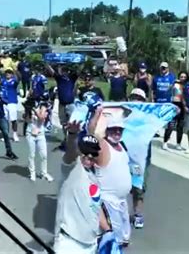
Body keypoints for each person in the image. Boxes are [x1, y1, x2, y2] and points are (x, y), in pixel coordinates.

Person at [53, 123, 111, 253]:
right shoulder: (72, 169)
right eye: (85, 152)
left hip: (91, 244)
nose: (89, 156)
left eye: (93, 153)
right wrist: (73, 135)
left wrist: (108, 231)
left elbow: (96, 206)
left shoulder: (94, 178)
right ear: (80, 151)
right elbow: (70, 155)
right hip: (69, 243)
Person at [88, 109, 132, 246]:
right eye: (113, 129)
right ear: (107, 130)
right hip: (108, 202)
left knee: (123, 240)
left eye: (120, 130)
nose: (117, 132)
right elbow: (91, 135)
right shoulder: (102, 146)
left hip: (122, 202)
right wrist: (97, 114)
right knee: (111, 239)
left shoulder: (121, 146)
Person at [128, 88, 150, 229]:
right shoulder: (122, 114)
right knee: (120, 186)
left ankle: (137, 214)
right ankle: (119, 213)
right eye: (133, 97)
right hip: (123, 157)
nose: (135, 99)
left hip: (139, 160)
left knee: (138, 188)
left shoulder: (148, 117)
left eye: (139, 98)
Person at [46, 63, 78, 142]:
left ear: (68, 72)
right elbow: (52, 72)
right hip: (61, 104)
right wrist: (47, 64)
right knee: (63, 123)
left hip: (70, 104)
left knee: (72, 122)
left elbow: (79, 71)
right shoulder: (59, 78)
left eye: (66, 71)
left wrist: (79, 63)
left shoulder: (72, 78)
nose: (64, 72)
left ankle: (73, 138)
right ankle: (66, 138)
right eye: (63, 71)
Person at [25, 101, 54, 182]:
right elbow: (27, 120)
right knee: (31, 155)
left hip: (40, 134)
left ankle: (44, 173)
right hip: (30, 133)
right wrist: (27, 110)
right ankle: (32, 173)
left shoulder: (43, 107)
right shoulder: (30, 106)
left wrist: (35, 110)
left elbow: (41, 118)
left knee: (44, 155)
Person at [152, 62, 176, 149]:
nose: (163, 70)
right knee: (159, 121)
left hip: (169, 103)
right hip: (158, 103)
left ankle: (166, 140)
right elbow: (153, 90)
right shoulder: (156, 78)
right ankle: (156, 133)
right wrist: (152, 100)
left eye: (164, 68)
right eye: (162, 68)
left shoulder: (172, 77)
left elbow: (176, 89)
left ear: (168, 68)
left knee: (170, 123)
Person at [0, 91, 19, 162]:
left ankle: (9, 152)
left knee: (6, 133)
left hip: (2, 118)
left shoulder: (0, 100)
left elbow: (7, 102)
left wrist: (1, 97)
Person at [163, 71, 188, 151]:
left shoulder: (187, 85)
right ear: (179, 77)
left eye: (184, 77)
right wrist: (173, 84)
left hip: (182, 106)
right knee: (170, 125)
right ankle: (165, 142)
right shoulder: (175, 83)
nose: (183, 78)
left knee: (180, 127)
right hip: (174, 105)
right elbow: (168, 90)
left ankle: (178, 144)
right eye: (181, 76)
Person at [2, 69, 20, 142]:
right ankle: (5, 134)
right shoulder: (3, 81)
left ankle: (15, 134)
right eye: (6, 73)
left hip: (12, 102)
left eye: (9, 73)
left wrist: (16, 71)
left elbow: (19, 79)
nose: (8, 74)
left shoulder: (14, 82)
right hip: (4, 102)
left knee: (13, 119)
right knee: (5, 120)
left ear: (12, 74)